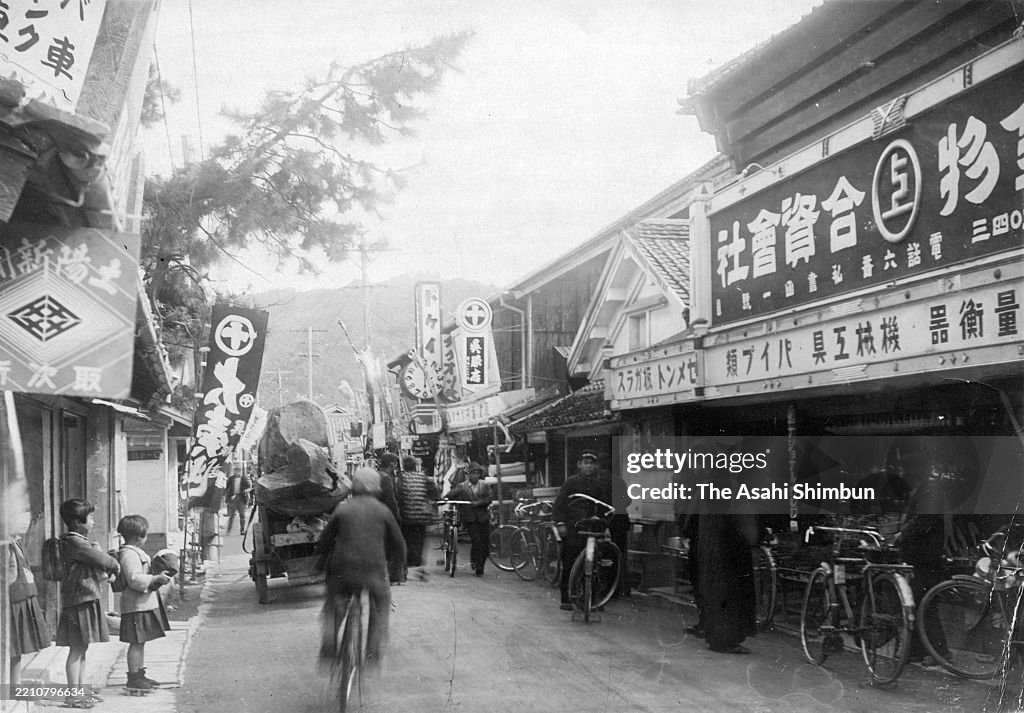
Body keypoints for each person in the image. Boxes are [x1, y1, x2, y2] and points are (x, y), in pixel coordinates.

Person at [316, 467, 405, 669]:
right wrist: (396, 570)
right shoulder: (383, 511)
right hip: (373, 572)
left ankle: (328, 650)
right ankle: (372, 654)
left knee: (333, 608)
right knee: (380, 604)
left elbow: (325, 542)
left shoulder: (342, 509)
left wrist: (320, 566)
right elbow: (399, 545)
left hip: (342, 570)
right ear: (377, 488)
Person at [56, 499, 121, 709]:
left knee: (82, 647)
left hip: (84, 598)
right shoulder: (75, 542)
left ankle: (80, 690)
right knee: (76, 649)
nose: (93, 521)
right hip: (79, 601)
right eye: (90, 517)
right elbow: (103, 561)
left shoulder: (76, 541)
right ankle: (73, 695)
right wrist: (113, 562)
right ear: (77, 521)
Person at [115, 515, 173, 692]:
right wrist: (155, 578)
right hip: (136, 606)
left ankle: (139, 674)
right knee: (136, 642)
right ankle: (133, 677)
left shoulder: (133, 552)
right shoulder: (129, 554)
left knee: (141, 642)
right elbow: (134, 578)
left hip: (142, 604)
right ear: (139, 537)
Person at [552, 451, 613, 610]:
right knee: (570, 562)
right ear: (579, 465)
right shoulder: (571, 483)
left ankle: (593, 600)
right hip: (574, 528)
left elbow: (605, 507)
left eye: (591, 463)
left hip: (593, 528)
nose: (588, 466)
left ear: (596, 466)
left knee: (595, 564)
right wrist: (560, 524)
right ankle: (566, 599)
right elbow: (559, 506)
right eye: (585, 463)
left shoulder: (600, 485)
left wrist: (604, 524)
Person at [697, 511, 759, 654]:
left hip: (714, 546)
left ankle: (716, 637)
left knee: (717, 591)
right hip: (729, 548)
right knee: (729, 593)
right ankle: (725, 640)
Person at [7, 510, 49, 687]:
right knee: (11, 647)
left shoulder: (17, 542)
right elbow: (8, 578)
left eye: (27, 516)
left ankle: (14, 685)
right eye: (19, 516)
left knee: (17, 649)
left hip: (23, 599)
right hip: (12, 603)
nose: (25, 521)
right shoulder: (5, 546)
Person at [448, 461, 492, 576]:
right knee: (476, 541)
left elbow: (489, 498)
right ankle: (478, 567)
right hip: (470, 518)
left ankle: (478, 562)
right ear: (469, 474)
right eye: (473, 473)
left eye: (477, 473)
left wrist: (479, 503)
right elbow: (451, 494)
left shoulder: (484, 485)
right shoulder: (463, 486)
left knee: (485, 544)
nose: (475, 475)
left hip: (483, 517)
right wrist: (444, 499)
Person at [396, 455, 439, 573]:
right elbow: (433, 491)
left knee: (407, 539)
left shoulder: (402, 478)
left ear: (404, 466)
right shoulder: (423, 477)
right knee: (419, 540)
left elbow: (399, 495)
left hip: (407, 516)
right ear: (415, 466)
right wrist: (430, 502)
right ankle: (417, 562)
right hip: (422, 516)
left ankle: (409, 562)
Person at [376, 453, 406, 584]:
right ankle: (393, 576)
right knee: (395, 546)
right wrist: (396, 516)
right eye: (395, 463)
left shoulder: (376, 475)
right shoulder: (386, 478)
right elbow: (390, 500)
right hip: (386, 516)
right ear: (392, 464)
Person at [224, 466, 254, 536]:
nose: (237, 472)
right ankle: (228, 530)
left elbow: (249, 487)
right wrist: (227, 497)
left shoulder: (244, 478)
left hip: (241, 498)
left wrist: (246, 491)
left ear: (240, 472)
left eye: (238, 471)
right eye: (235, 471)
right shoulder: (231, 479)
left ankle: (242, 530)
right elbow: (227, 488)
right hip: (233, 498)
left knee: (242, 515)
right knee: (231, 515)